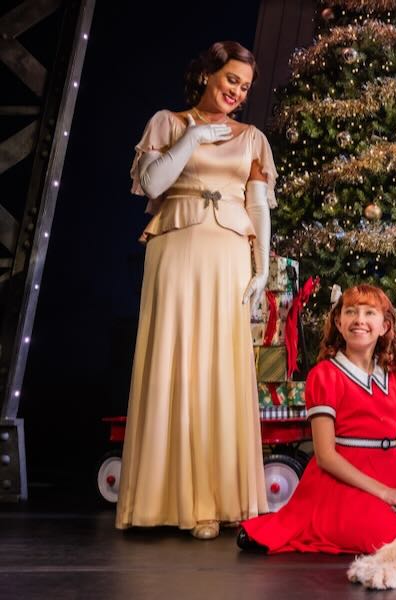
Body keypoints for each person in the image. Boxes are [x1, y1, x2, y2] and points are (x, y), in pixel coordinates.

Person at [116, 41, 277, 540]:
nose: (237, 92)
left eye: (245, 87)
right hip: (176, 249)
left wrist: (262, 268)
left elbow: (258, 205)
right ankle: (163, 500)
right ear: (208, 74)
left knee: (220, 367)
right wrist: (193, 137)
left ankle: (217, 499)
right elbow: (153, 184)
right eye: (231, 80)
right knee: (173, 359)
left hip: (229, 254)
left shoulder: (252, 138)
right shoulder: (167, 122)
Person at [237, 284, 396, 555]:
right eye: (351, 312)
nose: (359, 320)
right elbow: (325, 456)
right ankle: (284, 526)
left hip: (391, 471)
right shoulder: (325, 375)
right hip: (343, 476)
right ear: (338, 322)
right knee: (387, 537)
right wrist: (386, 493)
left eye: (369, 313)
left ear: (385, 326)